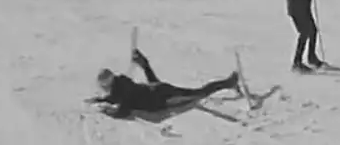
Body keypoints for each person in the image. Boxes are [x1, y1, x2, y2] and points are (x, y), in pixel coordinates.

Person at [84, 49, 240, 118]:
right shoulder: (120, 83)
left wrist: (107, 111)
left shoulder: (123, 91)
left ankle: (229, 82)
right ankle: (144, 63)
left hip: (163, 98)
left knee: (197, 94)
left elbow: (123, 112)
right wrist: (100, 101)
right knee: (153, 86)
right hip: (155, 90)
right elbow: (114, 97)